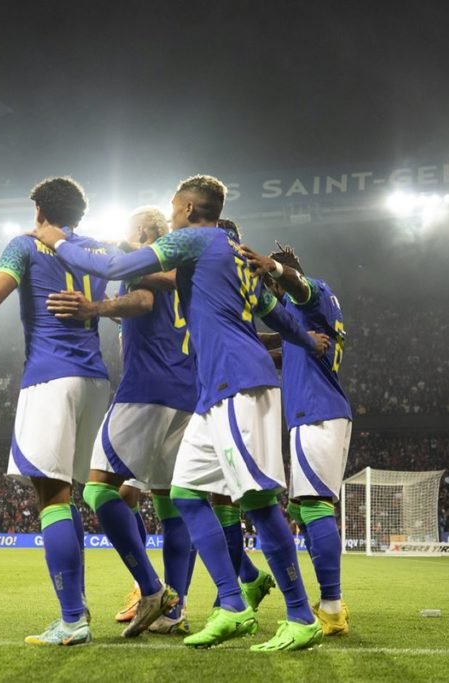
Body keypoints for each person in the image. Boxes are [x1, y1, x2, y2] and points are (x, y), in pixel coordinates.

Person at [32, 174, 328, 651]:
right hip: (206, 393)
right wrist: (303, 337)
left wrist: (60, 240)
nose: (171, 217)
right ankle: (232, 603)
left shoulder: (195, 238)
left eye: (174, 208)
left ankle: (300, 615)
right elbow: (272, 310)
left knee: (256, 501)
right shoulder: (231, 253)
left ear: (190, 209)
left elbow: (123, 264)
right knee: (187, 495)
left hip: (238, 383)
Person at [0, 177, 112, 646]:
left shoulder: (25, 245)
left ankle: (72, 620)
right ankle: (78, 610)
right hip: (95, 380)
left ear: (38, 211)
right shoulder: (93, 249)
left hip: (50, 377)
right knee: (67, 494)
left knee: (50, 496)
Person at [46, 206, 195, 636]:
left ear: (145, 231)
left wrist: (94, 306)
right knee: (170, 506)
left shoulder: (148, 262)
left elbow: (143, 298)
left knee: (97, 489)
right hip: (186, 392)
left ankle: (151, 589)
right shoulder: (185, 272)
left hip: (148, 387)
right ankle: (174, 610)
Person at [241, 241, 352, 637]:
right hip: (322, 413)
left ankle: (333, 609)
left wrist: (272, 267)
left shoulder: (312, 295)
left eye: (273, 286)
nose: (272, 295)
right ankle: (330, 604)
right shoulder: (310, 318)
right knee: (306, 510)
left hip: (316, 414)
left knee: (314, 505)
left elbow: (300, 287)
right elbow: (281, 343)